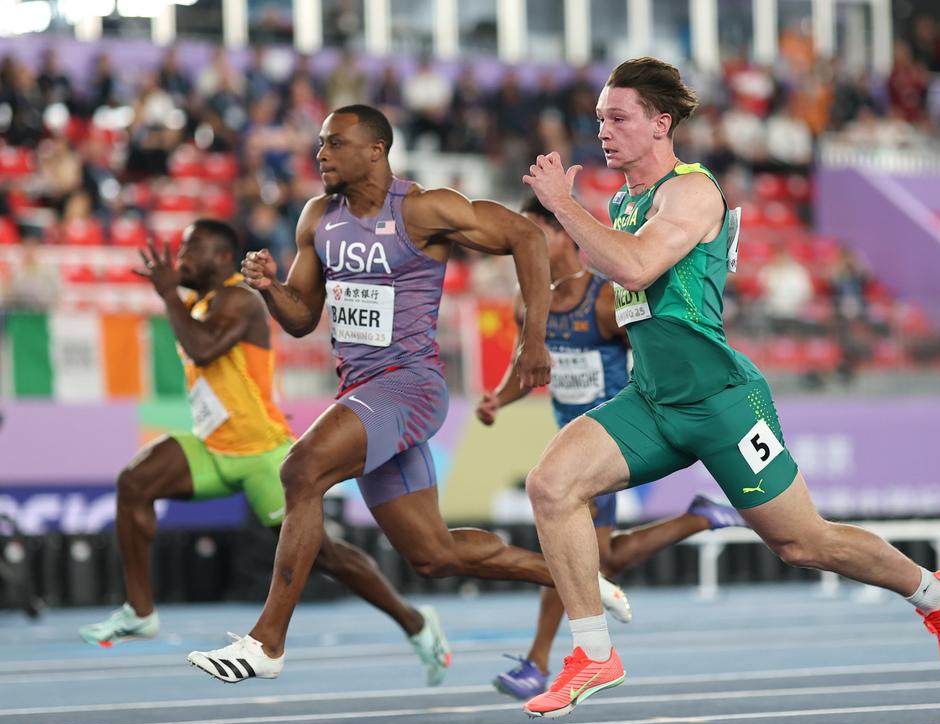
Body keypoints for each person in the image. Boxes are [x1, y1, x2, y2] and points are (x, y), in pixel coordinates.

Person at [519, 57, 940, 718]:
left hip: (723, 403)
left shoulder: (692, 191)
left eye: (619, 118)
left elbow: (637, 264)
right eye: (599, 121)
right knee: (550, 485)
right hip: (653, 401)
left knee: (801, 543)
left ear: (660, 123)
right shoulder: (622, 200)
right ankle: (592, 652)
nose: (606, 132)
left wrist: (563, 205)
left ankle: (934, 593)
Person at [186, 105, 627, 683]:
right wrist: (271, 289)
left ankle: (267, 643)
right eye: (319, 144)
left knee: (301, 470)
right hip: (362, 391)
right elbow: (301, 317)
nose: (321, 154)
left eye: (334, 143)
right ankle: (576, 574)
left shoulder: (423, 210)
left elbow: (526, 236)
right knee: (434, 554)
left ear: (375, 149)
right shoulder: (318, 217)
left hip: (410, 387)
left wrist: (532, 340)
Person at [78, 219, 452, 686]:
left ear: (219, 259)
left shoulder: (239, 299)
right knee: (134, 482)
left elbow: (202, 349)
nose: (180, 260)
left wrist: (168, 294)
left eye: (190, 251)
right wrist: (177, 294)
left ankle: (416, 624)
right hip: (213, 446)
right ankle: (140, 610)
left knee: (327, 557)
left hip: (261, 452)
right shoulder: (202, 300)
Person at [478, 195, 749, 700]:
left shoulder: (604, 301)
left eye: (536, 234)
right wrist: (500, 398)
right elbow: (531, 363)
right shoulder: (526, 301)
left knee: (569, 554)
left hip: (607, 442)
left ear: (563, 235)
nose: (527, 247)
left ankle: (538, 662)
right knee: (601, 559)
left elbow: (654, 351)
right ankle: (699, 518)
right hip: (567, 440)